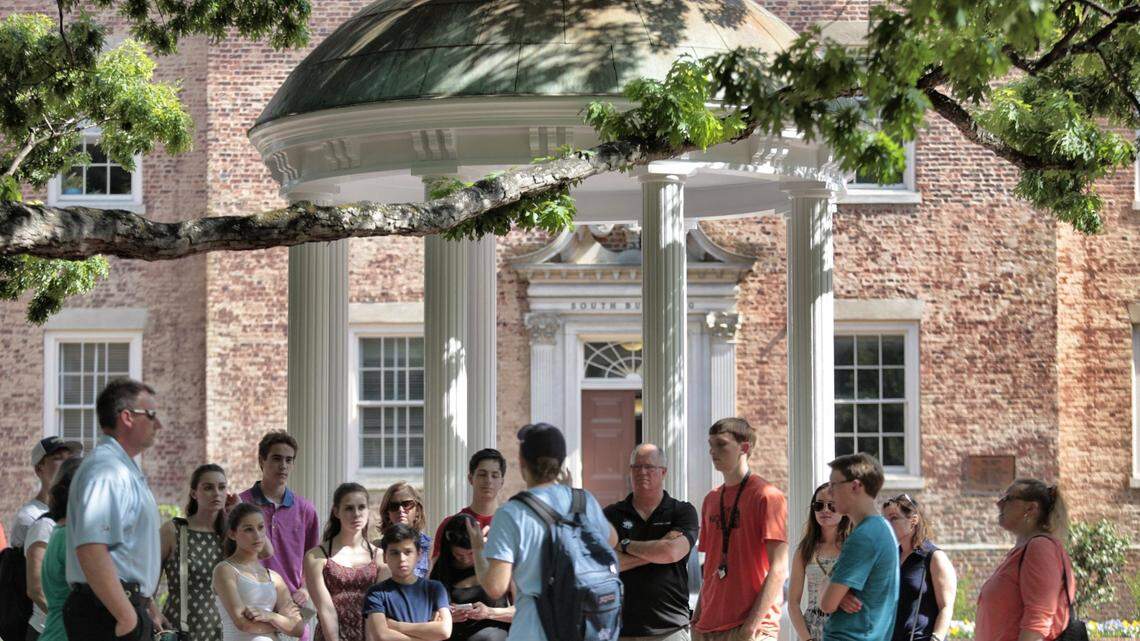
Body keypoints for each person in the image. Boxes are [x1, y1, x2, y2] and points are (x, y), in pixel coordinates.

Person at [468, 422, 618, 641]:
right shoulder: (583, 501)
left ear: (521, 463)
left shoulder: (512, 513)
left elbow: (495, 587)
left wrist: (478, 549)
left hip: (533, 631)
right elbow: (611, 540)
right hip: (586, 627)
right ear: (561, 462)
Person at [63, 378, 165, 641]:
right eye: (151, 415)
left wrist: (145, 604)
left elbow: (130, 551)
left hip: (119, 608)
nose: (159, 424)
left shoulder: (121, 469)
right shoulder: (107, 471)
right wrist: (127, 617)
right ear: (127, 417)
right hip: (108, 614)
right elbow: (92, 547)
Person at [692, 418, 788, 641]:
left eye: (721, 444)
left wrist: (751, 626)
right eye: (710, 445)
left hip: (751, 627)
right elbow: (711, 568)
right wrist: (696, 620)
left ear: (744, 448)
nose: (712, 451)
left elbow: (779, 567)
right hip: (708, 626)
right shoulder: (711, 499)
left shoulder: (767, 495)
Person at [603, 443, 698, 641]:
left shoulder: (682, 512)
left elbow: (672, 552)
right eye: (636, 467)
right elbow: (607, 565)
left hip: (670, 628)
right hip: (622, 629)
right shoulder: (611, 514)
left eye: (649, 467)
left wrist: (624, 544)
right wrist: (659, 550)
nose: (642, 472)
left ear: (663, 472)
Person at [239, 430, 320, 641]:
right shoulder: (241, 505)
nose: (283, 465)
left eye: (288, 460)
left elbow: (312, 558)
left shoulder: (306, 510)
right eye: (276, 458)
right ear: (261, 461)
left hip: (291, 607)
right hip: (252, 603)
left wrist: (305, 588)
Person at [975, 479, 1077, 641]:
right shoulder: (1024, 550)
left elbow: (1037, 624)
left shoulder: (1040, 548)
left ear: (1031, 508)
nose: (999, 503)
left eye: (1008, 498)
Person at [819, 453, 900, 641]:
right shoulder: (881, 529)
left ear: (855, 486)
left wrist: (832, 588)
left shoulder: (864, 536)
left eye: (834, 485)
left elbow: (827, 603)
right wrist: (835, 590)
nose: (829, 492)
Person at [303, 483, 384, 641]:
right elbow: (325, 609)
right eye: (349, 508)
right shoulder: (317, 556)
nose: (356, 514)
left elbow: (378, 611)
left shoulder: (380, 557)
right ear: (336, 512)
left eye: (361, 507)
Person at [158, 464, 230, 641]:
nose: (216, 493)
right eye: (208, 488)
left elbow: (266, 551)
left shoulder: (230, 534)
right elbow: (148, 585)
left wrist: (238, 509)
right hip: (181, 629)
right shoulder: (173, 531)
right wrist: (153, 614)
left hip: (224, 630)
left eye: (222, 487)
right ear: (194, 493)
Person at [213, 503, 305, 641]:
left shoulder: (274, 578)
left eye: (261, 527)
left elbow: (298, 628)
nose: (257, 535)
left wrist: (270, 616)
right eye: (248, 529)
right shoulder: (225, 570)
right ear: (232, 534)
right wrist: (282, 623)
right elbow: (243, 624)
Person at [24, 439, 83, 641]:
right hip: (47, 628)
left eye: (69, 458)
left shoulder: (70, 526)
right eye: (58, 458)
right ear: (39, 469)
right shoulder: (37, 521)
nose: (66, 463)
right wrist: (68, 618)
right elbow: (35, 587)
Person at [882, 494, 956, 641]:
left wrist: (936, 638)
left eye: (894, 518)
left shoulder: (934, 557)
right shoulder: (892, 557)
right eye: (885, 520)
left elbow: (946, 607)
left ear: (913, 520)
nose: (888, 524)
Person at [429, 514, 513, 641]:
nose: (466, 559)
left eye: (471, 553)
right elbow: (427, 614)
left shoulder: (498, 562)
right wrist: (446, 616)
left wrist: (490, 612)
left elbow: (524, 611)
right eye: (459, 555)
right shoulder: (441, 568)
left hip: (495, 633)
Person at [363, 524, 451, 641]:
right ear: (385, 557)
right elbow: (381, 636)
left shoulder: (435, 588)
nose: (402, 559)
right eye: (395, 553)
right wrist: (428, 635)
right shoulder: (376, 593)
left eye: (408, 552)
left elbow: (444, 631)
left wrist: (396, 625)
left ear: (419, 555)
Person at [787, 483, 850, 641]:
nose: (825, 510)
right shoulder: (805, 550)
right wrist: (807, 639)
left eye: (832, 505)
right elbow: (793, 603)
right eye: (819, 505)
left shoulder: (854, 548)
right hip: (811, 628)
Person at [430, 449, 506, 564]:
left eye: (495, 476)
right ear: (471, 478)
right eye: (482, 474)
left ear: (502, 482)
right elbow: (438, 572)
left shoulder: (510, 524)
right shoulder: (450, 524)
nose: (488, 480)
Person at [377, 483, 431, 579]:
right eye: (394, 506)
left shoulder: (431, 548)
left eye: (407, 504)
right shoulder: (377, 549)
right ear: (387, 513)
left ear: (417, 510)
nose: (400, 510)